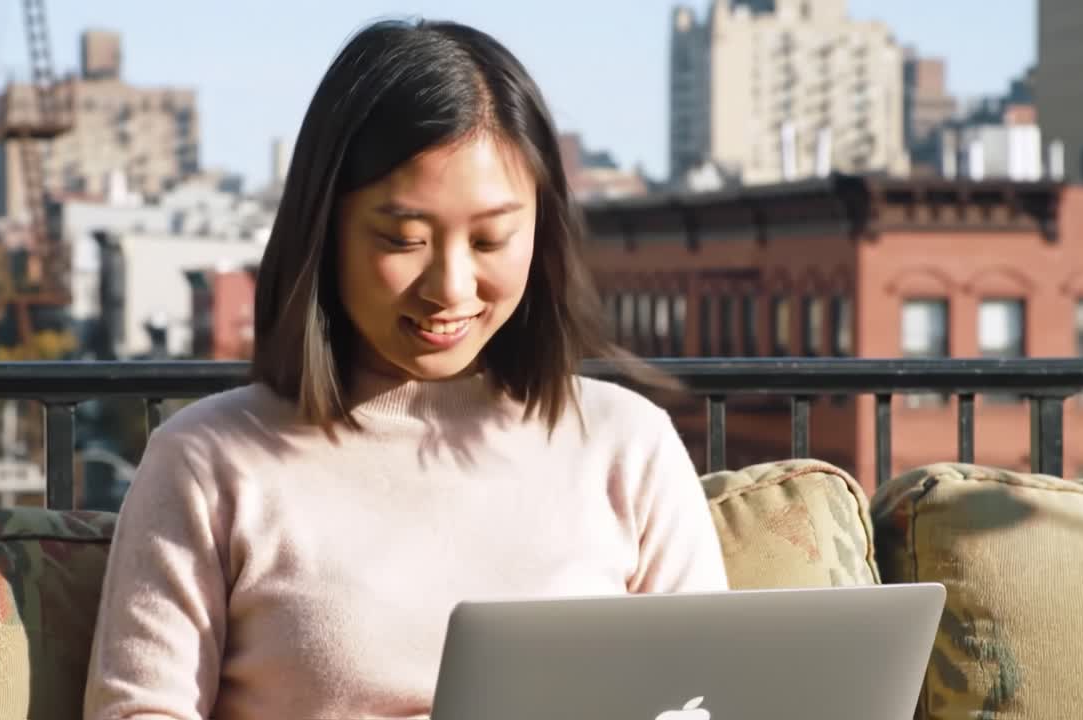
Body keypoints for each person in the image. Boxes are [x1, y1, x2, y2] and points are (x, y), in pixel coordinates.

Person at [84, 17, 727, 720]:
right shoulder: (207, 462)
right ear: (324, 230)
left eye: (491, 239)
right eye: (404, 239)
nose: (451, 287)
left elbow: (709, 700)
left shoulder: (627, 444)